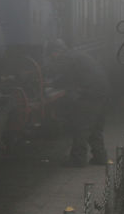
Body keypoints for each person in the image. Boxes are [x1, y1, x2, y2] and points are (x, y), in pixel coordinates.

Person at [45, 39, 111, 167]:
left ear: (56, 52)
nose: (52, 58)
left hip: (91, 93)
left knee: (82, 126)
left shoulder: (66, 58)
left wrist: (43, 77)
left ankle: (78, 160)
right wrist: (53, 84)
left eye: (51, 55)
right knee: (96, 127)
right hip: (102, 91)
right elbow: (68, 77)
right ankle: (100, 157)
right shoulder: (75, 55)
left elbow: (55, 71)